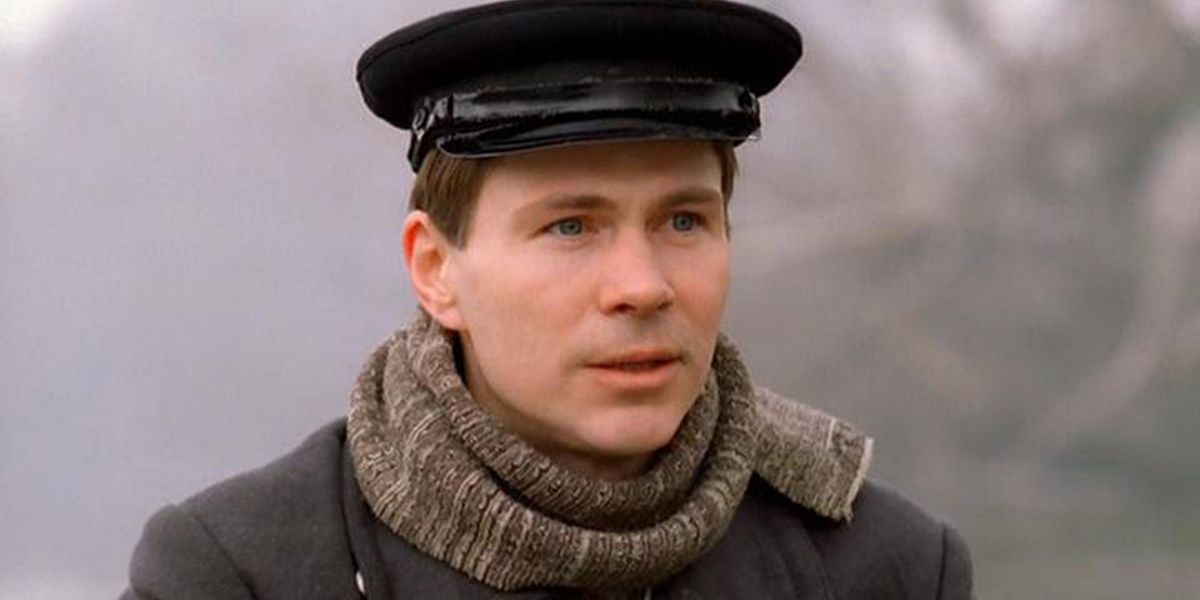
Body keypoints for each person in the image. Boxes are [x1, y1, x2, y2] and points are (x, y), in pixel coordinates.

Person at [122, 1, 974, 598]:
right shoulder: (242, 575)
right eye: (571, 227)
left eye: (683, 220)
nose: (641, 286)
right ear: (435, 269)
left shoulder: (885, 570)